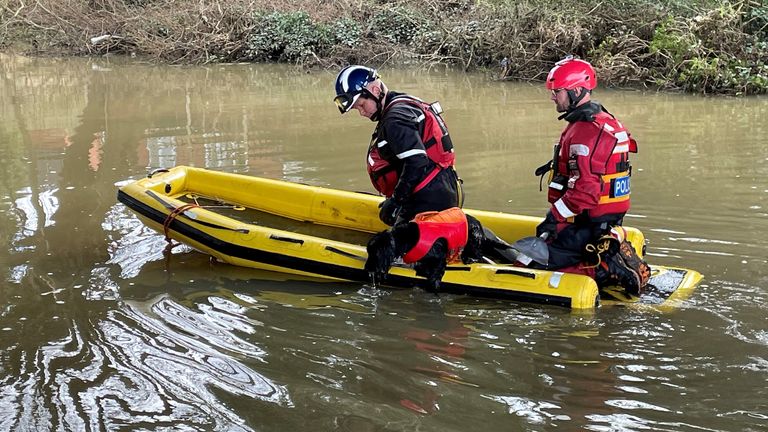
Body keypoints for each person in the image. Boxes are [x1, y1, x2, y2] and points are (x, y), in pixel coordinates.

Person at [532, 56, 650, 294]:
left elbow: (586, 192)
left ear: (576, 90)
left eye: (557, 91)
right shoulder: (604, 121)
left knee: (530, 263)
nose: (553, 96)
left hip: (587, 225)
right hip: (600, 221)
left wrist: (554, 217)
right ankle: (608, 253)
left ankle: (605, 268)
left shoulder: (587, 131)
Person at [333, 65, 464, 226]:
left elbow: (417, 161)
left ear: (375, 90)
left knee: (393, 249)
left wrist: (396, 201)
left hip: (429, 201)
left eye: (361, 105)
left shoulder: (395, 119)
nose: (361, 112)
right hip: (444, 188)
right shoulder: (403, 103)